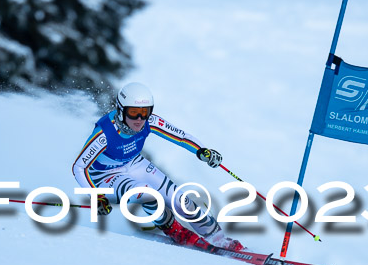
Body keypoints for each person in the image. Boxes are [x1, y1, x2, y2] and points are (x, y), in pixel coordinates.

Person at [71, 82, 244, 250]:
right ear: (120, 109)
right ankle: (177, 232)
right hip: (106, 176)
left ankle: (217, 237)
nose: (139, 119)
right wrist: (97, 196)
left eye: (144, 112)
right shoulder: (104, 133)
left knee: (180, 200)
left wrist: (202, 151)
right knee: (147, 193)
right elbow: (79, 167)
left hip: (133, 162)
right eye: (133, 112)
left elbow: (181, 137)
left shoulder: (149, 122)